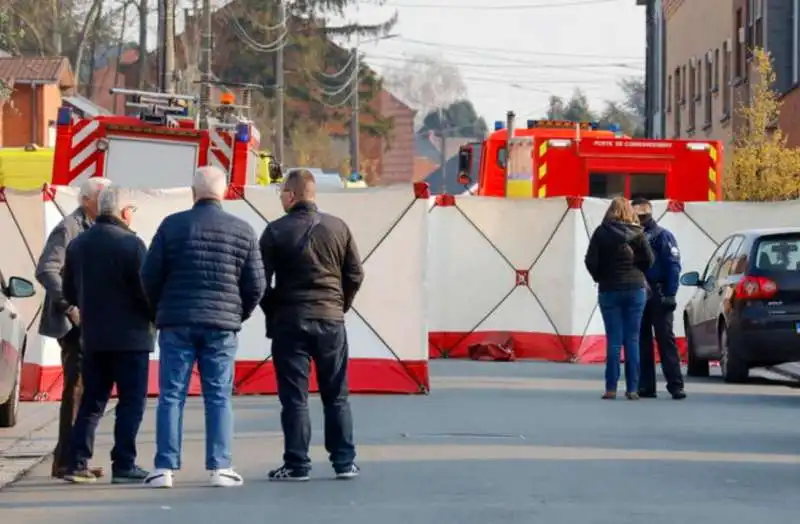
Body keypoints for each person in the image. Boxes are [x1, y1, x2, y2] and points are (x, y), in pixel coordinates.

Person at [140, 166, 265, 489]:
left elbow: (149, 275)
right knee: (219, 395)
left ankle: (164, 468)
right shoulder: (243, 230)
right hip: (222, 325)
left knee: (171, 395)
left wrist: (160, 310)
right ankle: (220, 467)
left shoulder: (171, 226)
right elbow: (256, 284)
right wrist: (238, 313)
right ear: (224, 192)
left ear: (193, 192)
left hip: (176, 322)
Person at [259, 169, 364, 482]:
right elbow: (355, 274)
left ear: (291, 195)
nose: (280, 198)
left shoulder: (275, 231)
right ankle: (344, 462)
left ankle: (297, 464)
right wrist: (339, 305)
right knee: (337, 396)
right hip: (331, 321)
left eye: (281, 193)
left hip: (290, 322)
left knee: (294, 398)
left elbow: (260, 282)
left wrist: (276, 310)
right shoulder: (338, 227)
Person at [60, 187, 153, 484]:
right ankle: (124, 464)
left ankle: (77, 462)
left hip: (94, 336)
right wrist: (155, 317)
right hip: (131, 338)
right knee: (131, 402)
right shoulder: (133, 245)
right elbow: (146, 292)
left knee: (92, 402)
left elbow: (69, 292)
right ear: (125, 212)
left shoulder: (78, 245)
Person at [35, 177, 111, 479]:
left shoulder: (92, 227)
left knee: (85, 389)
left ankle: (74, 457)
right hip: (73, 323)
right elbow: (46, 268)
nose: (107, 204)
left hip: (88, 321)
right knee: (76, 389)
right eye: (102, 198)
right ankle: (67, 461)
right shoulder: (70, 227)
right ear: (86, 200)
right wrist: (68, 305)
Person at [584, 197, 654, 400]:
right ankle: (632, 389)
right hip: (635, 289)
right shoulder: (638, 233)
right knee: (632, 339)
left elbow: (590, 260)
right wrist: (638, 270)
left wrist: (600, 276)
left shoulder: (601, 232)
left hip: (609, 290)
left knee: (614, 340)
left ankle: (611, 388)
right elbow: (650, 259)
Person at [632, 197, 686, 400]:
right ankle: (647, 386)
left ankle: (675, 385)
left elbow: (673, 265)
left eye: (640, 214)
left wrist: (671, 293)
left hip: (659, 291)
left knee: (665, 340)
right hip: (639, 291)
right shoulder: (633, 236)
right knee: (642, 340)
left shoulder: (662, 236)